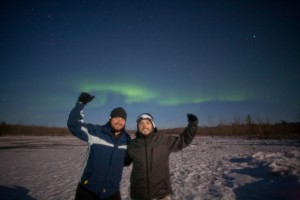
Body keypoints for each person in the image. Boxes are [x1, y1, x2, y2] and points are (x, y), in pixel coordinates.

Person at [67, 92, 131, 200]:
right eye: (116, 118)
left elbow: (127, 160)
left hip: (112, 192)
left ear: (125, 122)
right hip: (88, 190)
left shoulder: (127, 140)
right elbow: (73, 125)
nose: (119, 122)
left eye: (122, 120)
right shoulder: (95, 131)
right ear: (110, 118)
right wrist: (81, 104)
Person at [125, 113, 198, 200]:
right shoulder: (132, 144)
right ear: (138, 126)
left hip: (160, 193)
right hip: (139, 194)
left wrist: (192, 125)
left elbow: (182, 141)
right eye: (141, 123)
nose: (144, 126)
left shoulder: (163, 140)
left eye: (147, 123)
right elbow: (122, 161)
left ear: (152, 125)